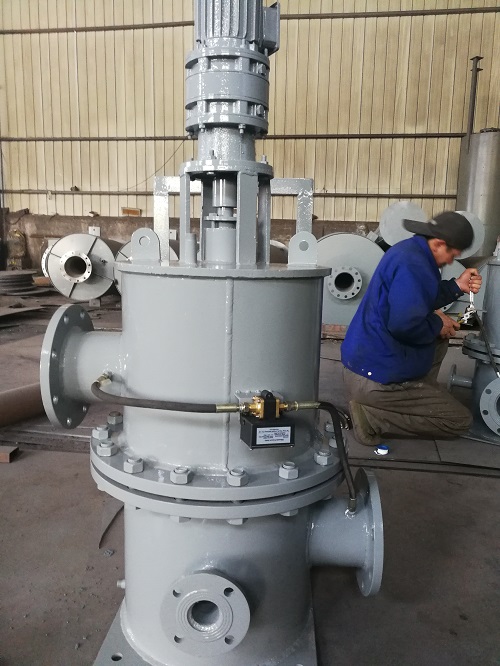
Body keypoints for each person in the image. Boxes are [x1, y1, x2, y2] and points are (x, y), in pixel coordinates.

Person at [341, 211, 482, 446]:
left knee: (439, 339)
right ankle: (373, 417)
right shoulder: (415, 264)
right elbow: (403, 325)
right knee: (459, 421)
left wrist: (457, 286)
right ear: (439, 243)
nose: (450, 261)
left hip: (362, 364)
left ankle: (414, 395)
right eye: (452, 255)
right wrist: (438, 323)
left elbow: (420, 296)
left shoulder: (410, 251)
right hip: (374, 380)